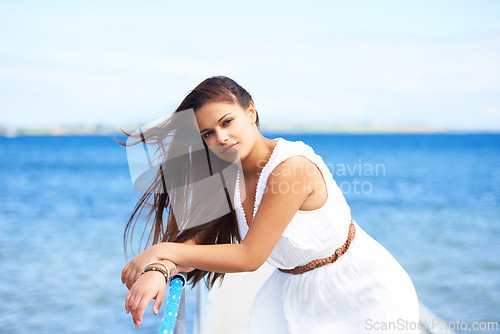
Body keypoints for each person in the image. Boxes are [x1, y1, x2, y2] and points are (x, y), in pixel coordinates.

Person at [120, 76, 421, 333]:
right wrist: (159, 268)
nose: (221, 138)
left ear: (250, 112)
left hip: (359, 291)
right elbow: (196, 241)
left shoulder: (290, 168)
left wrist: (158, 250)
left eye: (227, 122)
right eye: (207, 134)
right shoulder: (227, 175)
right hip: (293, 297)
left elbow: (249, 256)